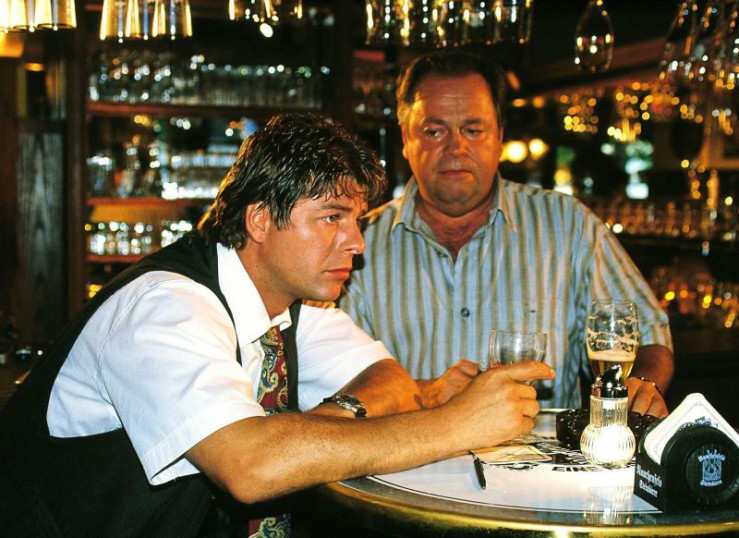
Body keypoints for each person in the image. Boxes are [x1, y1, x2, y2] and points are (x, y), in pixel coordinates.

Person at [0, 113, 554, 537]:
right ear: (260, 219)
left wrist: (329, 422)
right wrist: (455, 425)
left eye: (356, 221)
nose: (356, 244)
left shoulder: (289, 301)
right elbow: (252, 467)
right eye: (331, 218)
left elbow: (391, 382)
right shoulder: (164, 306)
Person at [339, 50, 674, 418]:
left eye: (473, 130)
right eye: (434, 131)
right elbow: (334, 380)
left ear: (499, 137)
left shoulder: (568, 226)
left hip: (541, 454)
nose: (455, 147)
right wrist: (422, 394)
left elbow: (647, 333)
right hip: (404, 453)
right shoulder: (356, 241)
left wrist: (642, 384)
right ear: (406, 138)